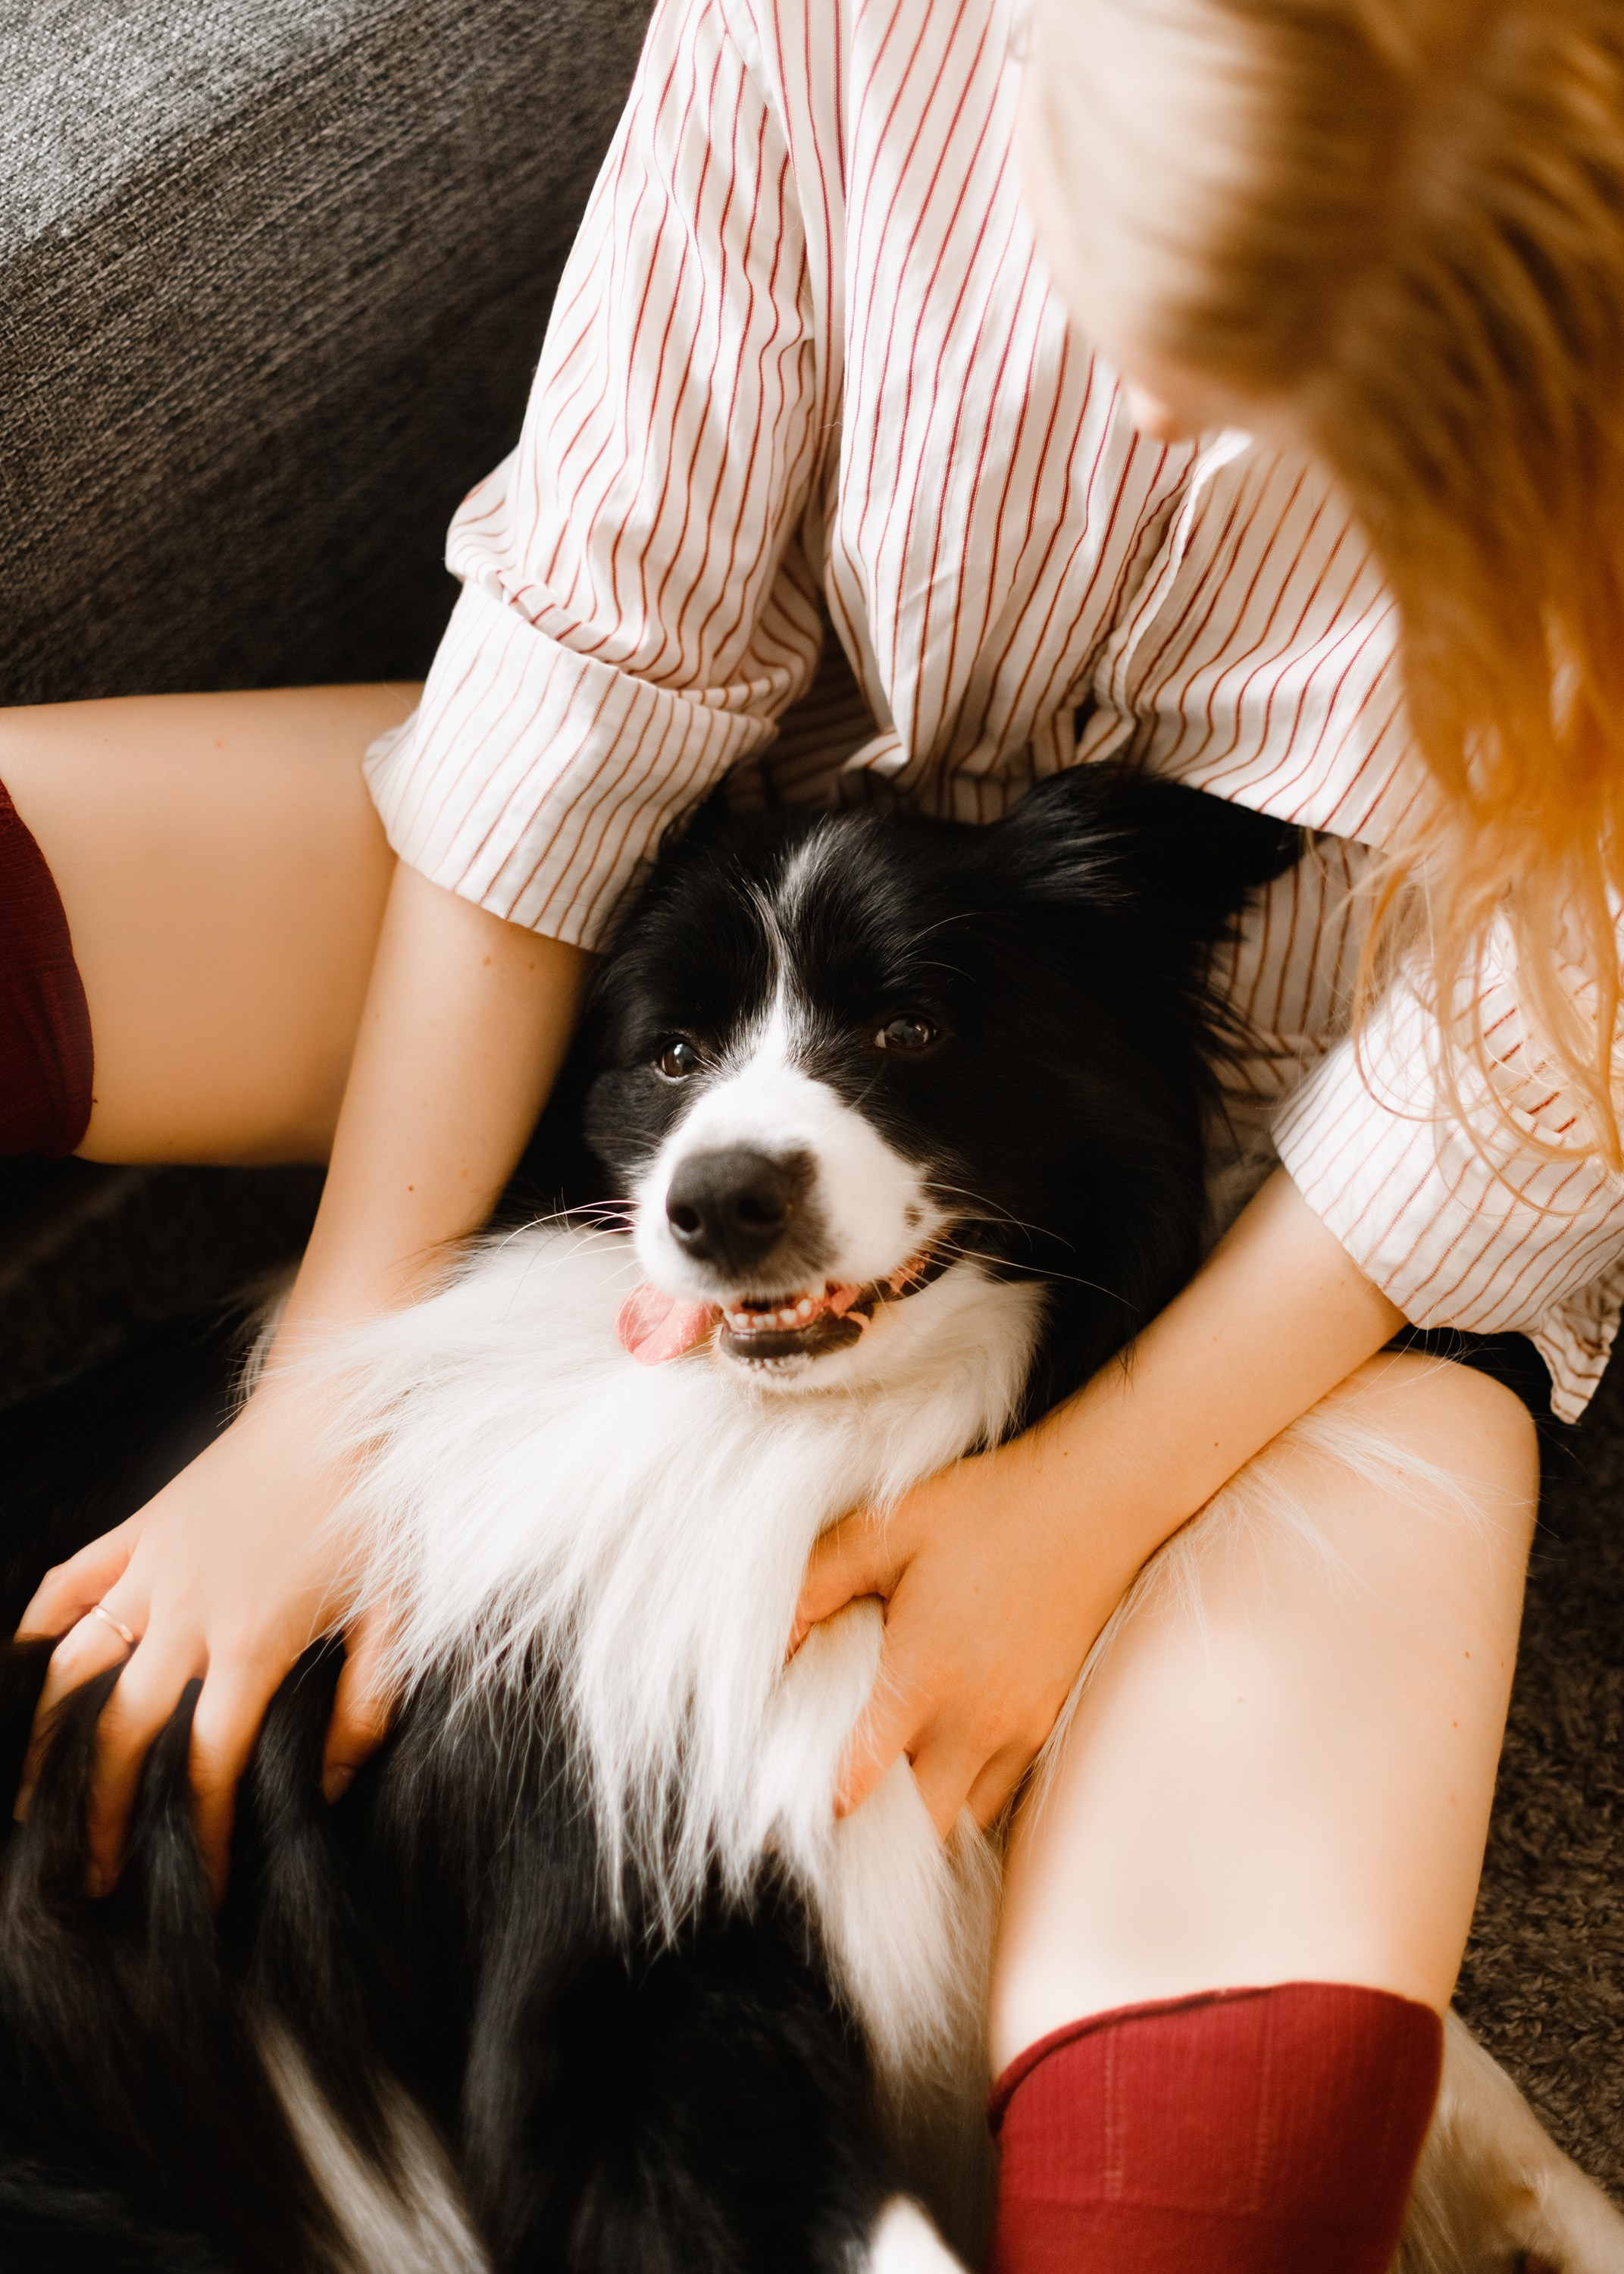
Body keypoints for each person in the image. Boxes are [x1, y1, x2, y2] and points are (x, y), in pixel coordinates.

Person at [5, 0, 1622, 2262]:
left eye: (1327, 380)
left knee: (1211, 2196)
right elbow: (580, 673)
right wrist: (325, 1388)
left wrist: (1078, 1514)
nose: (1167, 420)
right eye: (1138, 279)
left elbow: (1534, 1083)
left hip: (1314, 1221)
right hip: (716, 904)